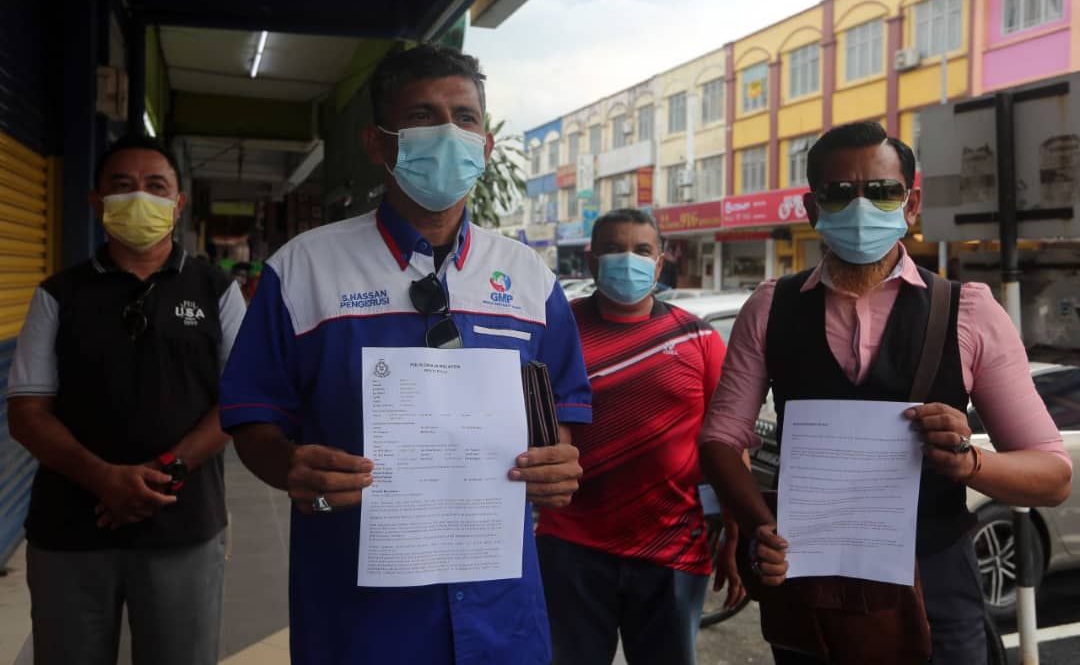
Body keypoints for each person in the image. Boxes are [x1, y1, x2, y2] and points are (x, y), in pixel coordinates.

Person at [218, 43, 592, 665]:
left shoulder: (530, 279)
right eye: (422, 116)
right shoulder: (304, 269)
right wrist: (289, 467)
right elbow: (254, 414)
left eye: (465, 117)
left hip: (501, 616)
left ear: (487, 144)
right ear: (378, 142)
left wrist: (560, 464)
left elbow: (564, 410)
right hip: (359, 616)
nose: (448, 133)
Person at [698, 121, 1072, 665]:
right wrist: (761, 527)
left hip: (935, 580)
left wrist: (970, 464)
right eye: (838, 193)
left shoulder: (967, 310)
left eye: (881, 191)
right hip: (811, 580)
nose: (860, 207)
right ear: (811, 208)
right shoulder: (770, 307)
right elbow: (719, 440)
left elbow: (1053, 475)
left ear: (911, 202)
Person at [6, 135, 246, 665]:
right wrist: (103, 478)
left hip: (184, 525)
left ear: (178, 203)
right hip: (69, 528)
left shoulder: (216, 290)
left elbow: (242, 398)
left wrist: (166, 469)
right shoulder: (58, 295)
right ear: (96, 202)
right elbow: (26, 412)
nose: (140, 197)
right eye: (122, 186)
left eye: (156, 186)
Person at [535, 208, 744, 665]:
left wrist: (736, 529)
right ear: (591, 261)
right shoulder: (556, 330)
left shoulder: (699, 338)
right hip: (570, 547)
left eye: (641, 250)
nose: (627, 259)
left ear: (660, 259)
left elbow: (727, 446)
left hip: (672, 550)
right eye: (613, 249)